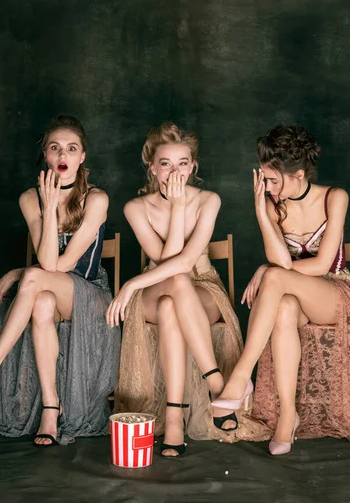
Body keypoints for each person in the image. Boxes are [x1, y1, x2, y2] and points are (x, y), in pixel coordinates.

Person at [212, 125, 350, 453]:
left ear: (298, 174)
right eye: (265, 179)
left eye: (272, 179)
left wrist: (269, 271)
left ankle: (240, 376)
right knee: (282, 308)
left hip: (334, 293)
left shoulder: (335, 197)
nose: (266, 186)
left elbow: (322, 265)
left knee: (275, 279)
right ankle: (287, 418)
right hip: (291, 294)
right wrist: (261, 215)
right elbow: (279, 260)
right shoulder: (270, 203)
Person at [0, 115, 120, 446]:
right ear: (46, 156)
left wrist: (51, 211)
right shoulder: (30, 198)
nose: (63, 155)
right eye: (55, 148)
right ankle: (50, 411)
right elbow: (45, 267)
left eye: (72, 148)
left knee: (36, 280)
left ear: (82, 157)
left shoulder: (97, 199)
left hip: (89, 295)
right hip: (48, 291)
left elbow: (59, 264)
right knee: (41, 302)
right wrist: (46, 208)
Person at [107, 122, 243, 457]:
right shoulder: (135, 208)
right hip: (157, 287)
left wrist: (131, 282)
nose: (174, 171)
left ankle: (173, 419)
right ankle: (217, 386)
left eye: (183, 163)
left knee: (175, 297)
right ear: (152, 167)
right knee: (171, 292)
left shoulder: (209, 200)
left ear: (193, 166)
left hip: (202, 287)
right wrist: (178, 208)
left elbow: (186, 264)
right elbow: (166, 260)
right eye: (166, 163)